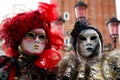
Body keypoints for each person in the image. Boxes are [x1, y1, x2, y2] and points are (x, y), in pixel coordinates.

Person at [0, 2, 63, 80]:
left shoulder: (45, 74)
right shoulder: (5, 66)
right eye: (31, 35)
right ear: (19, 39)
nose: (37, 40)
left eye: (41, 37)